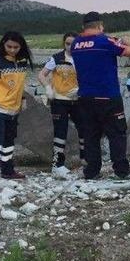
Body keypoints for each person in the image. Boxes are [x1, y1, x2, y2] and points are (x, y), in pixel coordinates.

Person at [70, 11, 130, 181]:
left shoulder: (76, 44)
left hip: (85, 97)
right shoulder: (105, 41)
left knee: (91, 135)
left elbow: (92, 45)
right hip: (108, 96)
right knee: (117, 134)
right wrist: (127, 41)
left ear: (82, 27)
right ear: (100, 25)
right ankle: (121, 171)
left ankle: (92, 171)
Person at [0, 31, 33, 183]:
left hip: (13, 108)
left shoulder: (22, 61)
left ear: (21, 46)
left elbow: (19, 84)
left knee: (9, 141)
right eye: (9, 46)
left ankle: (8, 170)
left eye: (15, 47)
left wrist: (22, 98)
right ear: (3, 44)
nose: (12, 50)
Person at [37, 32, 85, 177]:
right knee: (60, 132)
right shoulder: (56, 58)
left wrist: (81, 89)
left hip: (78, 99)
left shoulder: (83, 57)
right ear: (63, 44)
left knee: (84, 129)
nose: (70, 47)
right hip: (59, 101)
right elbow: (41, 74)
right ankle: (57, 165)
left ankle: (86, 160)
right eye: (67, 44)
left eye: (74, 44)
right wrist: (47, 88)